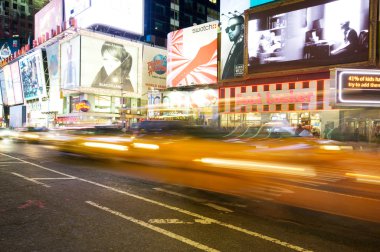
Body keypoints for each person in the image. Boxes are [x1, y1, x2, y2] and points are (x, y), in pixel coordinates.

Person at [222, 15, 244, 80]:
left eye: (233, 27)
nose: (229, 31)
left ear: (242, 26)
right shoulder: (235, 45)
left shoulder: (244, 46)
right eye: (227, 29)